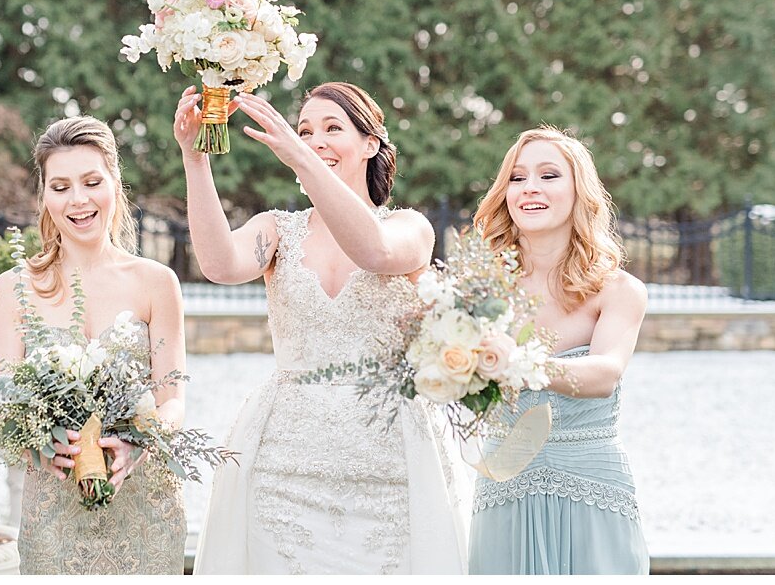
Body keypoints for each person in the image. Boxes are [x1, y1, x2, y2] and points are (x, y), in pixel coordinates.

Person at [177, 81, 466, 575]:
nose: (314, 141)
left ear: (371, 143)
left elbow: (373, 251)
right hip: (284, 461)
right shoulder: (277, 230)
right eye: (305, 130)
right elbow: (220, 264)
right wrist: (195, 158)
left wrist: (300, 158)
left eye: (333, 129)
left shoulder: (410, 228)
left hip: (390, 465)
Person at [0, 115, 187, 574]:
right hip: (53, 510)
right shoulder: (11, 289)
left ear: (114, 183)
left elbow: (173, 400)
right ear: (44, 196)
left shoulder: (157, 282)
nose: (77, 200)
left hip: (145, 505)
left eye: (91, 182)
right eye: (60, 186)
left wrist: (145, 440)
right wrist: (37, 443)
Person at [468, 126, 650, 575]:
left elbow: (605, 374)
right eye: (517, 177)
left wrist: (520, 364)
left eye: (548, 175)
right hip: (504, 482)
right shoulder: (478, 288)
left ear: (578, 192)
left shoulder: (619, 290)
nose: (530, 187)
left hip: (593, 484)